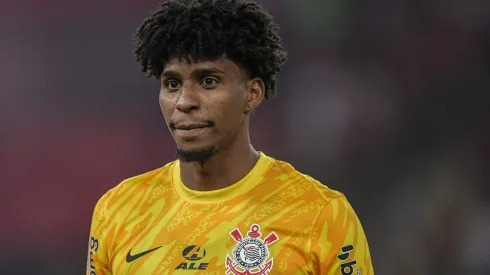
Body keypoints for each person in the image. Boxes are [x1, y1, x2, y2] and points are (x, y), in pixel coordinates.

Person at [86, 0, 374, 274]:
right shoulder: (117, 211)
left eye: (208, 81)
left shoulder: (321, 215)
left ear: (253, 93)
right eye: (172, 83)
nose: (184, 101)